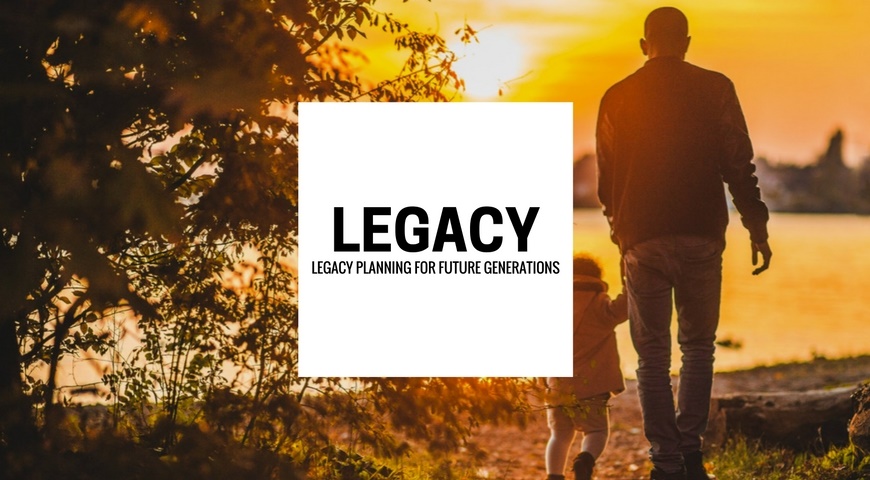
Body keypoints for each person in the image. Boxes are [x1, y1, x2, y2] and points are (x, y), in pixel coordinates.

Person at [595, 6, 772, 480]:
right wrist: (756, 223)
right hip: (700, 233)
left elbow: (607, 181)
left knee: (651, 356)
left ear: (642, 44)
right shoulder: (716, 87)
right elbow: (739, 162)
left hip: (642, 239)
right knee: (698, 347)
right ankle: (690, 455)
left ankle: (665, 462)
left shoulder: (617, 97)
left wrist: (620, 234)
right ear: (687, 42)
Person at [545, 254, 627, 480]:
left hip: (557, 385)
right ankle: (585, 461)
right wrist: (628, 273)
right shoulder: (601, 303)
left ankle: (554, 475)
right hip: (592, 386)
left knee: (559, 435)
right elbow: (627, 306)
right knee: (596, 430)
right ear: (596, 278)